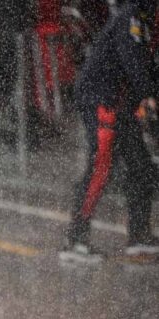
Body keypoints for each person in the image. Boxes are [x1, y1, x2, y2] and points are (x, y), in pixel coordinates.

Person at [62, 0, 159, 263]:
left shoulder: (146, 19)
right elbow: (133, 59)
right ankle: (75, 240)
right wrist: (149, 95)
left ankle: (139, 237)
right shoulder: (132, 17)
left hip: (121, 103)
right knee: (101, 166)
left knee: (140, 165)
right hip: (101, 99)